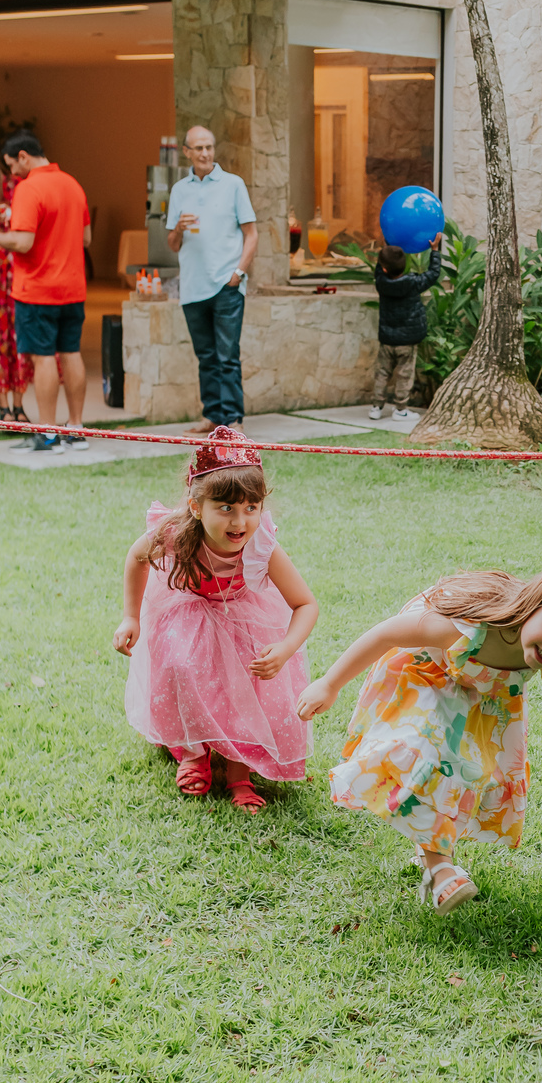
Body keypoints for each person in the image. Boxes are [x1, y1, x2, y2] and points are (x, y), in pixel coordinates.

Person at [297, 562, 542, 915]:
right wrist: (329, 684)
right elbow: (386, 635)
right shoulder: (464, 630)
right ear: (536, 605)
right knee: (424, 756)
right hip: (425, 674)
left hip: (481, 696)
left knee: (465, 774)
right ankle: (441, 872)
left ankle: (432, 855)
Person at [113, 427, 318, 813]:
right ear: (196, 506)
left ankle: (239, 773)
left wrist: (286, 647)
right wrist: (130, 616)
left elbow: (306, 604)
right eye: (226, 508)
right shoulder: (174, 532)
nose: (240, 521)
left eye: (250, 508)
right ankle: (193, 752)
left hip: (243, 616)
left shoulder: (262, 545)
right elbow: (136, 557)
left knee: (246, 681)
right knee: (180, 664)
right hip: (189, 609)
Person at [0, 130, 90, 453]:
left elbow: (23, 241)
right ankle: (75, 428)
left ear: (24, 157)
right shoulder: (73, 184)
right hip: (73, 288)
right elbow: (86, 239)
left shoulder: (30, 188)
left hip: (37, 291)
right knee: (71, 354)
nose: (12, 174)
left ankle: (47, 434)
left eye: (12, 166)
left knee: (43, 359)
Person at [166, 127, 258, 433]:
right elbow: (172, 244)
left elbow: (251, 234)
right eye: (199, 148)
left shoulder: (233, 185)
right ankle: (213, 415)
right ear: (187, 151)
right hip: (193, 286)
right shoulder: (179, 190)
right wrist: (178, 228)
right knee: (206, 356)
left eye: (209, 147)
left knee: (227, 354)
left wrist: (239, 273)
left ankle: (233, 419)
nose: (205, 153)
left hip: (226, 284)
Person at [370, 232, 442, 421]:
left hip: (387, 338)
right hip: (407, 341)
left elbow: (380, 268)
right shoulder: (413, 283)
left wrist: (386, 245)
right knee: (404, 374)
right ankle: (400, 409)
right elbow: (433, 274)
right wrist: (434, 250)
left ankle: (376, 407)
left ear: (384, 269)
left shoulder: (381, 282)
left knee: (382, 372)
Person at [0, 134, 30, 427]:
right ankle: (3, 405)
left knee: (17, 335)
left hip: (13, 268)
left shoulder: (13, 186)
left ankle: (18, 403)